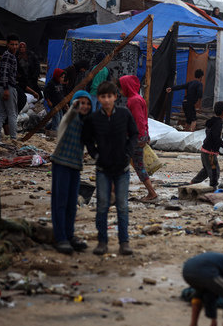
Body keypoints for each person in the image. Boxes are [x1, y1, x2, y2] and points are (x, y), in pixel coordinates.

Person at [82, 81, 138, 256]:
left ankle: (124, 242)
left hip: (122, 169)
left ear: (115, 97)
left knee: (122, 205)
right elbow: (88, 139)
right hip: (102, 169)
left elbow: (134, 133)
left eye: (109, 96)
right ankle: (102, 241)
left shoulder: (124, 114)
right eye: (103, 97)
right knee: (102, 206)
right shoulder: (93, 118)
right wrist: (96, 155)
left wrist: (128, 154)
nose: (106, 100)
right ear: (98, 98)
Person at [49, 90, 92, 254]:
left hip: (76, 166)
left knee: (71, 203)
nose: (85, 106)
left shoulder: (87, 123)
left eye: (88, 103)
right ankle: (60, 238)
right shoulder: (69, 118)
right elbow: (68, 115)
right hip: (61, 163)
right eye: (81, 103)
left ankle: (69, 234)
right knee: (60, 202)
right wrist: (74, 106)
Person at [119, 75, 158, 202]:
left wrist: (142, 137)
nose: (120, 91)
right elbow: (143, 119)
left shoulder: (134, 101)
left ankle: (151, 193)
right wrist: (145, 134)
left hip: (135, 139)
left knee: (137, 165)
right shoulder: (136, 99)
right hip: (135, 138)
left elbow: (139, 121)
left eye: (121, 88)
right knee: (135, 164)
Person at [190, 101, 223, 190]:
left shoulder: (213, 121)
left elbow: (212, 132)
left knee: (206, 170)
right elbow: (215, 136)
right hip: (210, 153)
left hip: (205, 151)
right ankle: (213, 187)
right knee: (215, 170)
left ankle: (194, 182)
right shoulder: (218, 123)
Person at [0, 34, 19, 141]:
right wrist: (6, 89)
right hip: (6, 87)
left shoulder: (6, 55)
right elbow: (4, 74)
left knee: (1, 114)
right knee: (12, 114)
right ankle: (13, 138)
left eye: (16, 44)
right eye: (12, 44)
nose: (14, 47)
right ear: (7, 44)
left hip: (1, 87)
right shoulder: (9, 56)